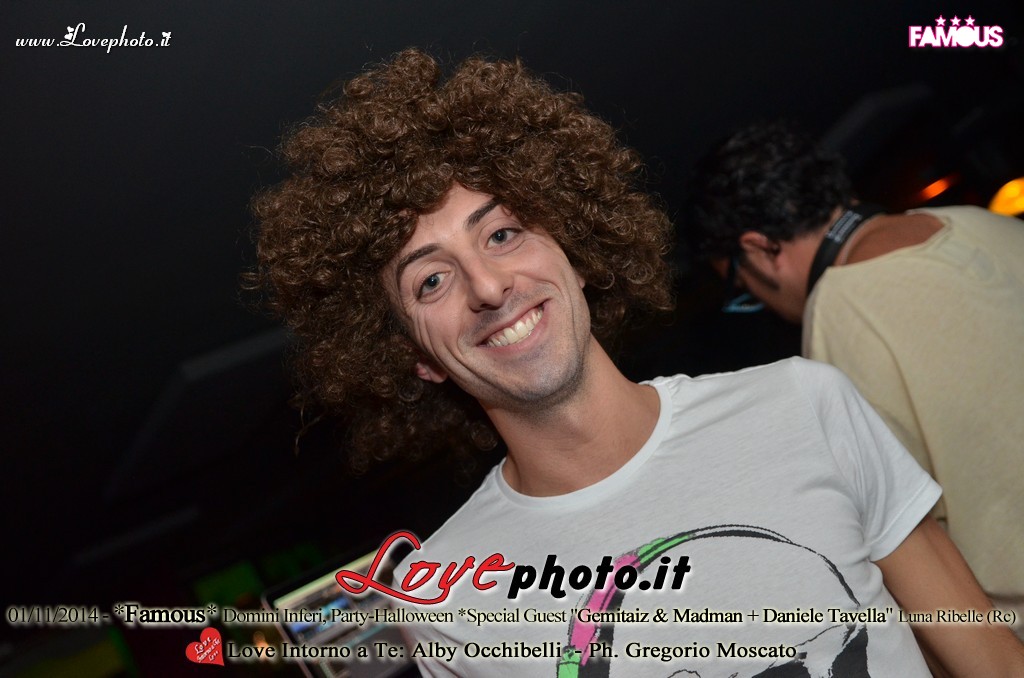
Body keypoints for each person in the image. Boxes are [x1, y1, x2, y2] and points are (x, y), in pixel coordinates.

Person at [251, 51, 1024, 676]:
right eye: (431, 280)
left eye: (503, 234)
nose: (487, 286)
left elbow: (989, 660)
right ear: (417, 359)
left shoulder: (805, 405)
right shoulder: (449, 604)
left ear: (572, 249)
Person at [685, 121, 1024, 632]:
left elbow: (904, 539)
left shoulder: (836, 311)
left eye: (741, 285)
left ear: (759, 250)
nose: (757, 302)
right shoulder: (978, 222)